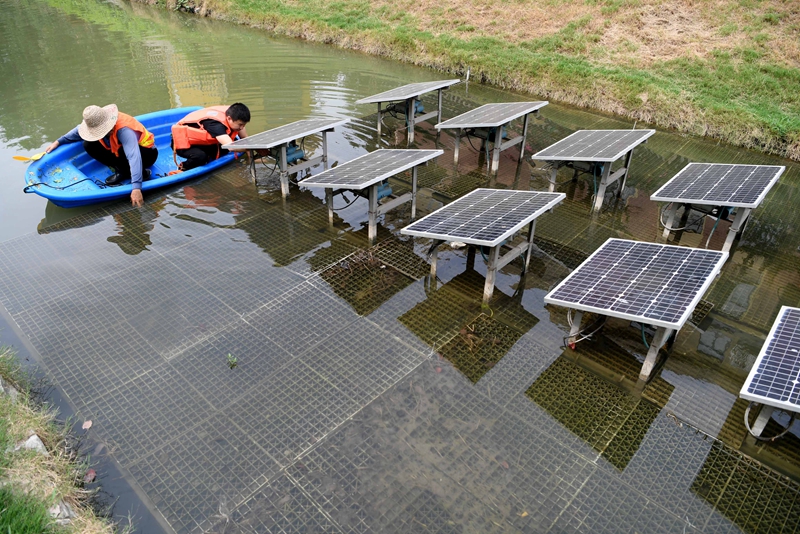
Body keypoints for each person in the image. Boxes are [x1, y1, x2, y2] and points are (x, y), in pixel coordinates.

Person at [46, 104, 158, 208]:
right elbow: (77, 132)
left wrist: (137, 188)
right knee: (89, 144)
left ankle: (142, 174)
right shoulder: (95, 121)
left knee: (124, 151)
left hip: (146, 155)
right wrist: (58, 142)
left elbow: (134, 157)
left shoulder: (124, 130)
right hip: (123, 154)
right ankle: (123, 171)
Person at [171, 103, 250, 171]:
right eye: (240, 125)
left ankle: (208, 154)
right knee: (200, 157)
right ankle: (183, 167)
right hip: (181, 142)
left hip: (200, 140)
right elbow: (231, 147)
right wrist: (253, 148)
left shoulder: (235, 116)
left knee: (234, 142)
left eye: (244, 125)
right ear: (229, 118)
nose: (242, 128)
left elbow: (245, 139)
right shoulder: (215, 125)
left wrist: (250, 158)